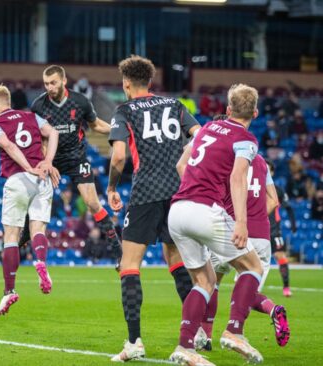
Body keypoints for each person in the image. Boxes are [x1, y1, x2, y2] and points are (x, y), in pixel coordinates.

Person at [107, 55, 200, 362]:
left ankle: (134, 342)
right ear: (150, 82)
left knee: (130, 264)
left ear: (126, 84)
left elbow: (119, 156)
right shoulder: (175, 105)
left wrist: (111, 187)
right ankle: (196, 332)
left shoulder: (124, 110)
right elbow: (200, 137)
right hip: (178, 192)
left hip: (146, 192)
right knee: (176, 260)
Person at [166, 84, 266, 365]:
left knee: (205, 281)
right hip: (204, 210)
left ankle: (185, 346)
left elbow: (180, 166)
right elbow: (237, 179)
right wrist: (241, 222)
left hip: (178, 210)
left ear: (228, 109)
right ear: (255, 112)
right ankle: (234, 330)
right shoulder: (246, 140)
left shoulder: (208, 127)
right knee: (253, 267)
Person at [178, 151, 290, 351]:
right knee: (248, 291)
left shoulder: (225, 159)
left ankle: (206, 337)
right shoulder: (262, 163)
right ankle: (271, 311)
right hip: (262, 235)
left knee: (211, 282)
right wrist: (255, 219)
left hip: (231, 231)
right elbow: (273, 201)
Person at [29, 65, 120, 262]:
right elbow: (41, 139)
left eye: (53, 83)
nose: (49, 87)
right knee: (35, 200)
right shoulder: (38, 106)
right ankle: (24, 243)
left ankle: (116, 246)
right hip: (51, 160)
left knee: (92, 202)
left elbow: (96, 125)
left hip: (76, 158)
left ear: (63, 81)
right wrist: (47, 161)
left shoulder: (80, 102)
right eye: (46, 84)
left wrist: (117, 129)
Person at [0, 84, 59, 316]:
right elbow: (54, 132)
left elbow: (8, 144)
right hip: (43, 179)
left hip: (18, 180)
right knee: (38, 229)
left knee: (11, 236)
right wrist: (47, 162)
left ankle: (9, 291)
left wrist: (26, 167)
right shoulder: (31, 117)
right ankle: (42, 262)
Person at [267, 160, 297, 296]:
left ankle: (286, 287)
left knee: (280, 257)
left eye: (269, 169)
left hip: (274, 230)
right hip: (256, 229)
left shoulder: (277, 190)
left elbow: (289, 207)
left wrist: (293, 224)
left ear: (272, 172)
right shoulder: (254, 187)